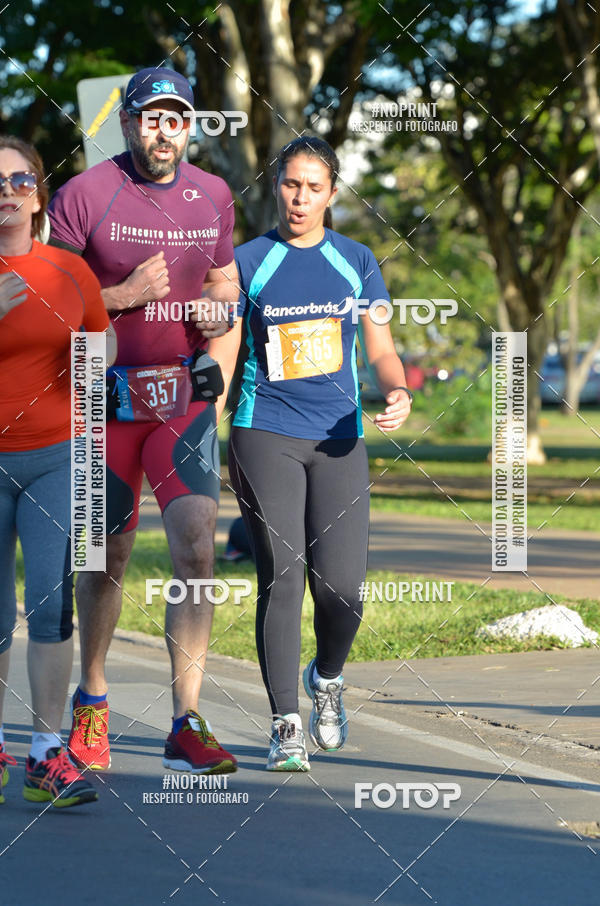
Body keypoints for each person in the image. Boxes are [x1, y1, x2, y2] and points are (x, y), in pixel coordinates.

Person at [48, 67, 240, 774]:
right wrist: (122, 295)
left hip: (180, 402)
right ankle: (92, 701)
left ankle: (186, 720)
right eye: (151, 118)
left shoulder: (212, 195)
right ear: (128, 123)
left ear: (190, 127)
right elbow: (48, 295)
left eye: (177, 119)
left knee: (196, 549)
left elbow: (225, 282)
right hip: (103, 404)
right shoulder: (85, 194)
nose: (165, 131)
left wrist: (219, 312)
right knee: (107, 556)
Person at [209, 136, 412, 771]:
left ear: (332, 193)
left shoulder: (358, 260)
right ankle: (284, 722)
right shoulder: (248, 261)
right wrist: (203, 405)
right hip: (264, 430)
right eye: (291, 185)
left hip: (339, 436)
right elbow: (225, 349)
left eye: (313, 187)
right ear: (277, 186)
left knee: (345, 590)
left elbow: (379, 346)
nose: (300, 198)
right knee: (284, 574)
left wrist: (397, 386)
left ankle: (326, 679)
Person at [0, 136, 116, 807]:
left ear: (39, 195)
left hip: (55, 457)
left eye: (21, 181)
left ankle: (47, 752)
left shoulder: (71, 273)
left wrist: (94, 371)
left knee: (50, 605)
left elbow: (100, 342)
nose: (8, 192)